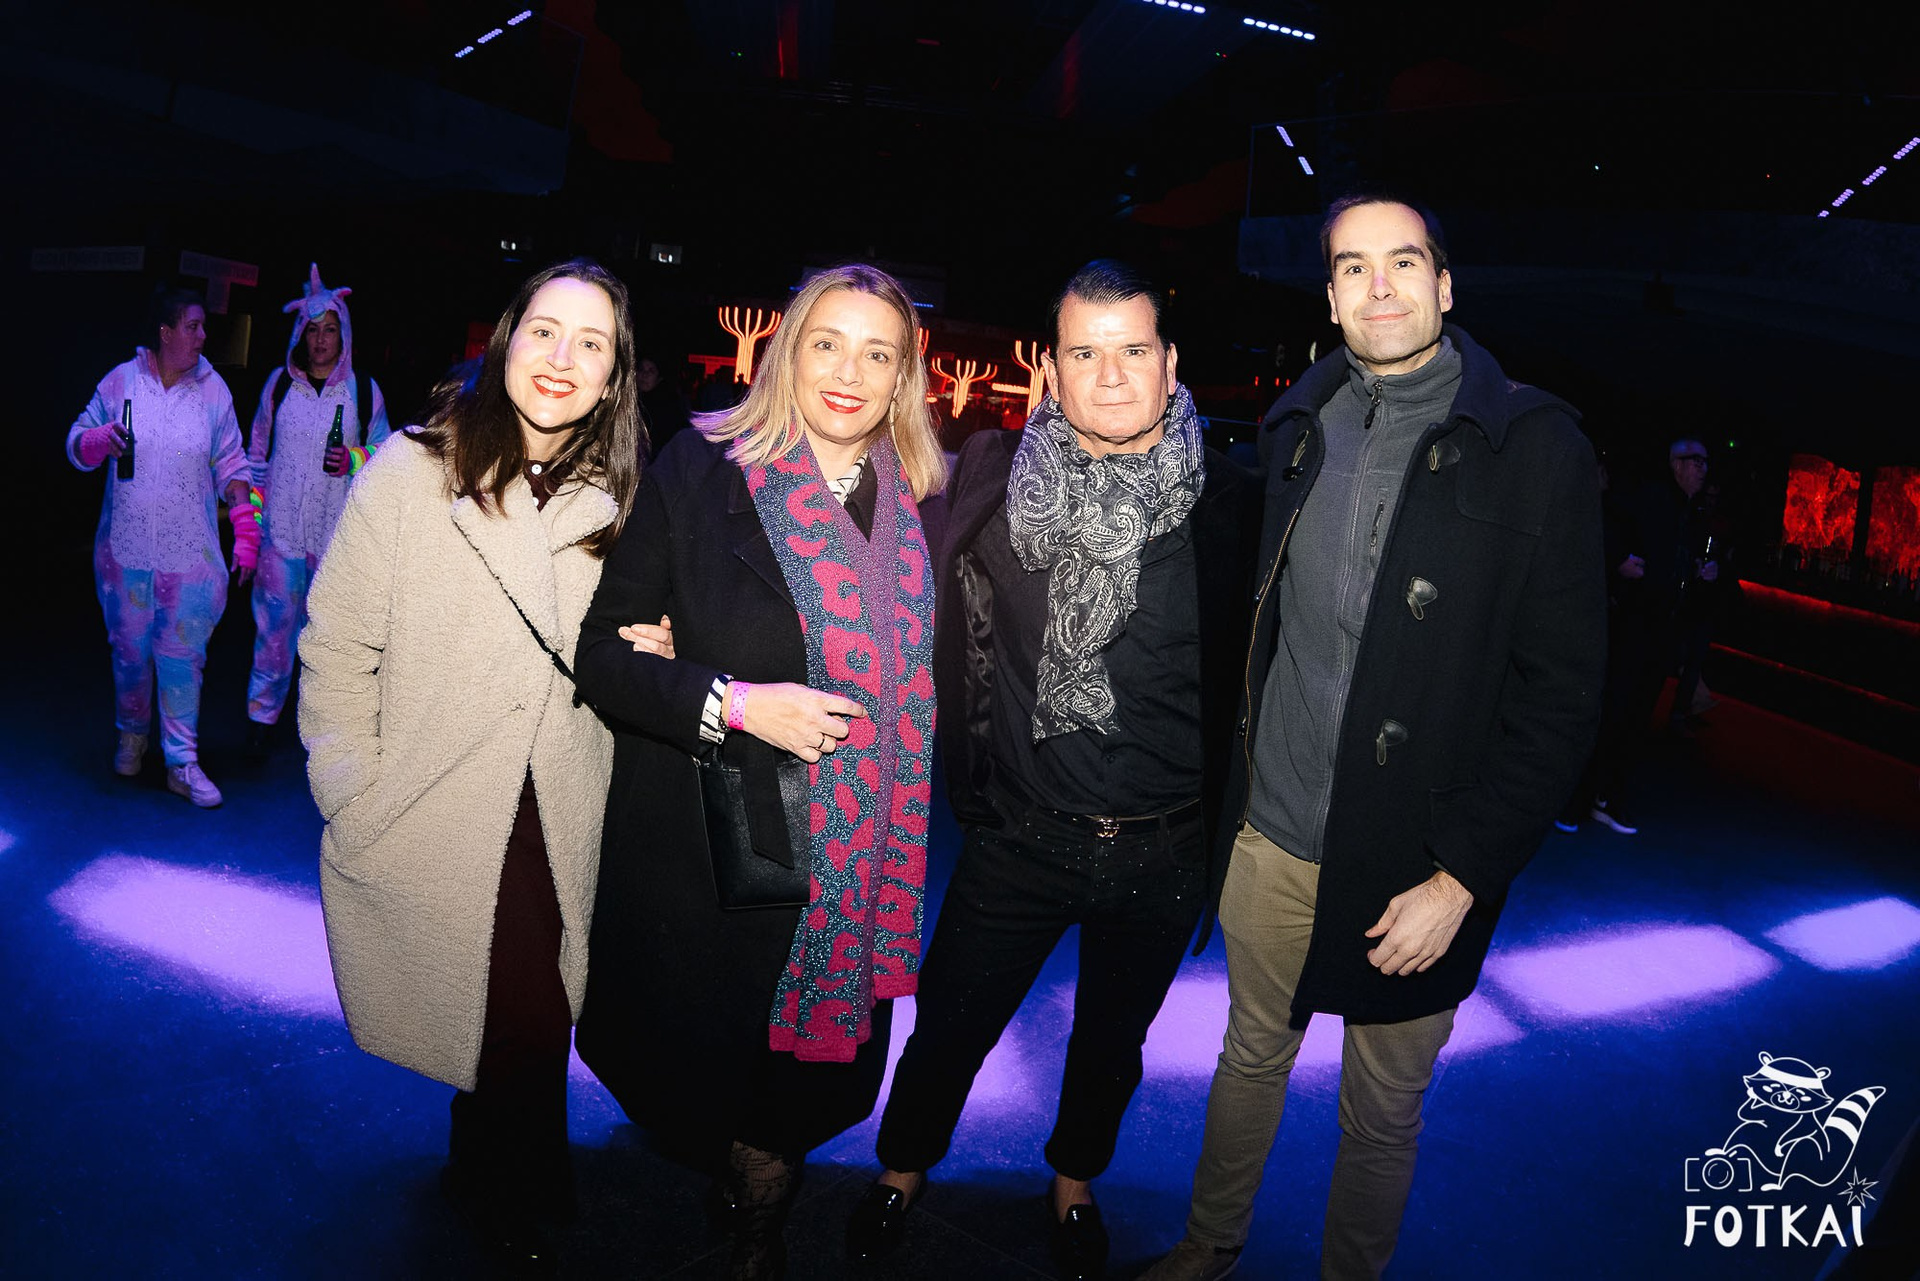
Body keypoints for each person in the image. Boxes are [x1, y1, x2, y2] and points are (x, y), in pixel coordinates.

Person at [1143, 194, 1605, 1281]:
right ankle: (1209, 1244)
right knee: (1248, 1057)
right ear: (1331, 297)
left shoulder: (1535, 447)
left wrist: (1464, 876)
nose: (1380, 286)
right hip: (1273, 837)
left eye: (1403, 262)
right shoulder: (1298, 428)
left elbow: (1563, 697)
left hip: (1418, 864)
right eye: (1353, 267)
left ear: (1444, 284)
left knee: (1383, 1110)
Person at [847, 261, 1263, 1281]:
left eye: (1133, 350)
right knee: (949, 1025)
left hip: (1166, 848)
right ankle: (902, 1168)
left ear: (1169, 364)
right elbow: (860, 545)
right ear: (1051, 369)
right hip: (1019, 838)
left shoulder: (1237, 508)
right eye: (1086, 352)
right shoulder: (990, 482)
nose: (1111, 375)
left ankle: (1075, 1182)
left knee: (1112, 1044)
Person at [571, 264, 945, 1280]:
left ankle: (757, 1224)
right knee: (724, 1077)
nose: (849, 372)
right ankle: (746, 1213)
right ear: (786, 352)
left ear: (903, 378)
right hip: (725, 851)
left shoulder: (924, 502)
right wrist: (733, 700)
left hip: (858, 871)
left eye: (877, 353)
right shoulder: (702, 472)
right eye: (828, 343)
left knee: (792, 1099)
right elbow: (602, 654)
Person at [297, 259, 648, 1266]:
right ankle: (511, 1188)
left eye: (591, 343)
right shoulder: (414, 471)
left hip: (562, 801)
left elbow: (620, 650)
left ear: (613, 377)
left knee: (529, 1005)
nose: (563, 358)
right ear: (506, 340)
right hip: (444, 795)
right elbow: (337, 644)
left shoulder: (621, 501)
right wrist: (347, 786)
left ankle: (485, 1159)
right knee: (517, 1011)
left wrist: (655, 645)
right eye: (545, 331)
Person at [66, 285, 253, 807]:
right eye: (192, 326)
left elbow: (233, 465)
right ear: (166, 332)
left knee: (182, 659)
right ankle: (131, 735)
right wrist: (96, 441)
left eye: (202, 326)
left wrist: (246, 529)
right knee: (128, 654)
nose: (203, 335)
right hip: (125, 554)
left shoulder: (213, 392)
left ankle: (181, 762)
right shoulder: (120, 382)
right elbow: (76, 442)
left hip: (188, 557)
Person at [242, 264, 392, 759]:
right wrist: (255, 526)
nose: (321, 340)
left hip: (334, 542)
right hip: (280, 537)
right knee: (272, 635)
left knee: (328, 640)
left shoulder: (363, 391)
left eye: (330, 330)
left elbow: (386, 453)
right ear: (300, 335)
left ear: (343, 334)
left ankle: (320, 730)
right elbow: (255, 457)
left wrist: (353, 458)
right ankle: (261, 720)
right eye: (313, 330)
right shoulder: (279, 387)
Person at [1583, 435, 1727, 834]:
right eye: (1697, 461)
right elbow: (1604, 522)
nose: (1703, 469)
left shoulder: (1693, 514)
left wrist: (1705, 573)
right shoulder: (1650, 497)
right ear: (1676, 464)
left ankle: (1607, 797)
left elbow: (1685, 566)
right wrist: (1618, 562)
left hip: (1662, 629)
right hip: (1635, 623)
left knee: (1637, 715)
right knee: (1615, 709)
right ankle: (1582, 796)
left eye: (1705, 462)